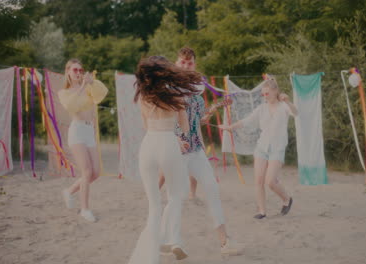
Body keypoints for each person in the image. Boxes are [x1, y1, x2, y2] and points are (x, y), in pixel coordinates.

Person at [159, 47, 243, 256]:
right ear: (176, 63)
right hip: (176, 150)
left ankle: (225, 243)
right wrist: (174, 137)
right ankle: (164, 240)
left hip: (196, 149)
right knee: (175, 198)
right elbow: (160, 120)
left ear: (194, 65)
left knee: (212, 189)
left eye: (190, 62)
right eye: (183, 62)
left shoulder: (197, 89)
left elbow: (199, 117)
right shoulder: (168, 88)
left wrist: (215, 108)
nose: (187, 65)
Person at [127, 56, 200, 264]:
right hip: (168, 144)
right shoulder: (175, 94)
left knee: (154, 205)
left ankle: (151, 255)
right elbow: (184, 126)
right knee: (177, 195)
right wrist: (179, 138)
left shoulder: (142, 96)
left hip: (148, 145)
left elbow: (146, 125)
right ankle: (174, 239)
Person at [220, 76, 297, 219]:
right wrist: (230, 127)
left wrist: (288, 101)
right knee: (259, 180)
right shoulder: (261, 108)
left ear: (275, 91)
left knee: (271, 181)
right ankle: (262, 211)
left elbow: (296, 113)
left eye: (267, 93)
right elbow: (246, 121)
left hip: (277, 148)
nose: (264, 96)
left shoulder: (283, 106)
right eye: (263, 93)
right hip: (262, 147)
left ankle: (287, 199)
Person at [58, 58, 108, 222]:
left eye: (80, 70)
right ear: (68, 72)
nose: (78, 73)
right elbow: (71, 106)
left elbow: (102, 93)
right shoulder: (64, 92)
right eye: (75, 70)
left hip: (89, 131)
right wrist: (81, 89)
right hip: (77, 131)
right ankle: (85, 209)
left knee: (96, 173)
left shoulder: (87, 88)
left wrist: (92, 82)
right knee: (86, 172)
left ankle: (69, 191)